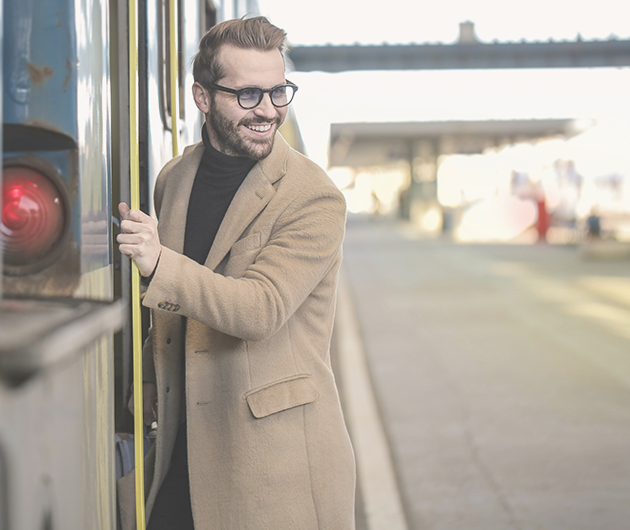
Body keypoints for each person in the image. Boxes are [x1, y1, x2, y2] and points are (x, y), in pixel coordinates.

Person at [116, 16, 356, 530]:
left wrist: (159, 262)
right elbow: (179, 304)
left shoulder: (314, 197)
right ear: (203, 98)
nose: (268, 110)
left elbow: (260, 309)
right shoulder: (174, 179)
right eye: (248, 95)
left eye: (278, 91)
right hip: (185, 444)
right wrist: (149, 376)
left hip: (273, 465)